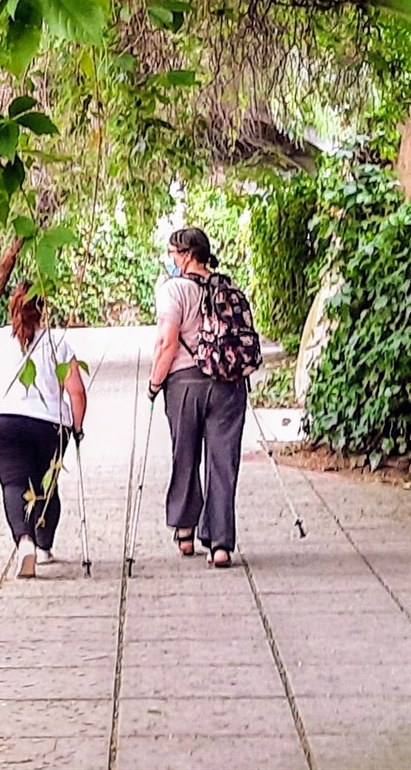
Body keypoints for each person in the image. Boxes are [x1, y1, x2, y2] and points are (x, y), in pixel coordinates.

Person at [148, 225, 253, 568]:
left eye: (174, 253)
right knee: (223, 464)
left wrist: (154, 382)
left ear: (188, 254)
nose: (171, 260)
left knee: (185, 455)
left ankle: (185, 531)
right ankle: (220, 545)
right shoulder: (228, 288)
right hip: (228, 383)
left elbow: (167, 340)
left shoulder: (173, 290)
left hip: (185, 384)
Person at [0, 285, 88, 578]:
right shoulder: (56, 344)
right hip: (49, 425)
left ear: (11, 308)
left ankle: (24, 542)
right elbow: (77, 391)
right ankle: (44, 545)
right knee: (46, 486)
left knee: (14, 485)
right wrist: (77, 427)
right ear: (42, 309)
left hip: (5, 424)